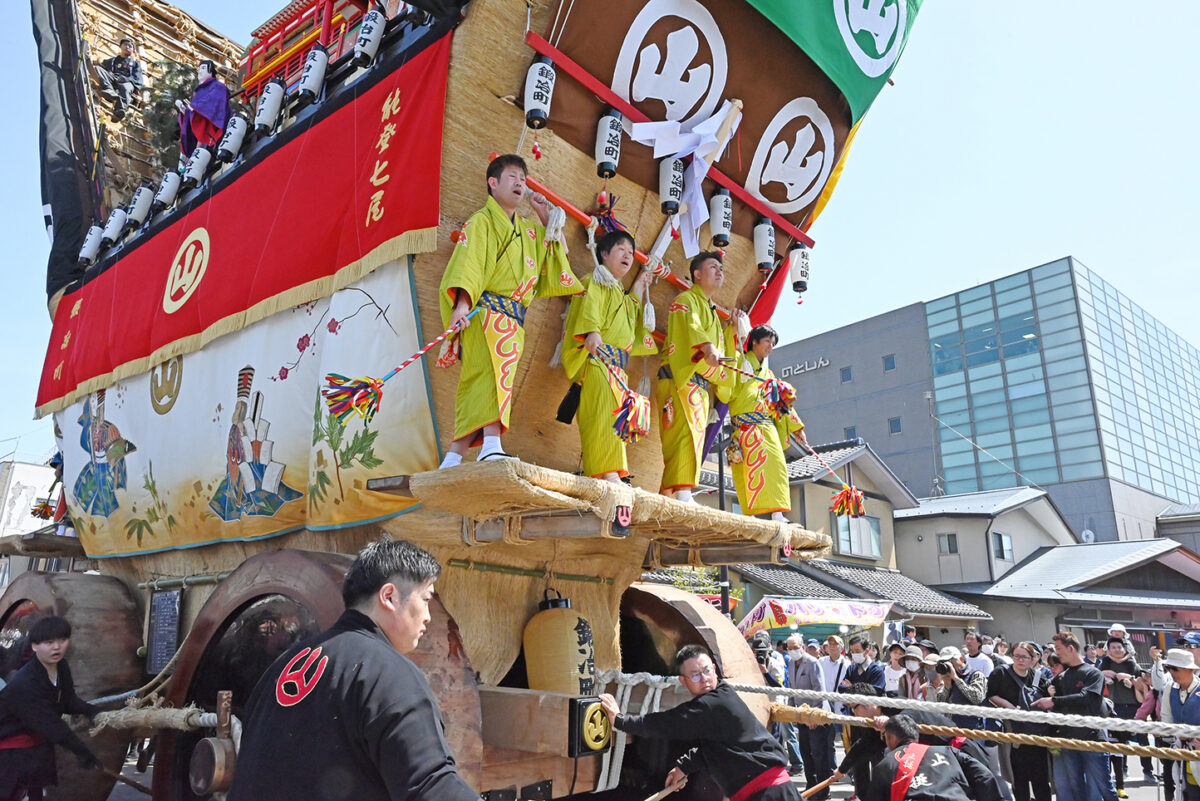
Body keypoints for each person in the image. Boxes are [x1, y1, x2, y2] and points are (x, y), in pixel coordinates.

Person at [227, 539, 479, 801]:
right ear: (389, 596)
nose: (427, 615)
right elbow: (430, 785)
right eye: (425, 598)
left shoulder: (279, 669)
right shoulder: (388, 674)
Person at [439, 154, 581, 467]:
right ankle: (491, 443)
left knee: (481, 382)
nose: (520, 183)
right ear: (493, 182)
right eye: (513, 177)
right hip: (485, 312)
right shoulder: (481, 222)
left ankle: (454, 455)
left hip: (513, 319)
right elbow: (469, 266)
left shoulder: (530, 231)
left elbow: (557, 258)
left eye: (523, 179)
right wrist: (461, 306)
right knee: (491, 378)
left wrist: (545, 216)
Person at [599, 644, 801, 800]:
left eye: (706, 671)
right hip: (760, 792)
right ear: (683, 681)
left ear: (714, 670)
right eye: (695, 675)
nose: (704, 678)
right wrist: (684, 767)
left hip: (770, 792)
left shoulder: (713, 703)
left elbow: (668, 723)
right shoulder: (717, 700)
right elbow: (715, 747)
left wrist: (621, 720)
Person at [559, 229, 655, 481]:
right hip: (597, 361)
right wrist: (592, 330)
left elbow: (630, 307)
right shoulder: (595, 280)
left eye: (631, 253)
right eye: (621, 250)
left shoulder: (620, 295)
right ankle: (607, 474)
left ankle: (611, 474)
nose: (628, 255)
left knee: (615, 421)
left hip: (616, 369)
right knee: (602, 418)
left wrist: (638, 284)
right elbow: (590, 305)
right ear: (604, 253)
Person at [657, 251, 741, 501]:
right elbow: (691, 327)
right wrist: (706, 346)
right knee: (683, 436)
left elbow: (721, 351)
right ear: (697, 273)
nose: (719, 272)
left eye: (721, 269)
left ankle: (670, 494)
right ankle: (682, 491)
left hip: (698, 384)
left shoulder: (712, 313)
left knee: (691, 436)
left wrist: (731, 333)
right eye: (713, 267)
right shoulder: (685, 300)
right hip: (679, 378)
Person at [0, 616, 101, 801]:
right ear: (34, 646)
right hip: (9, 752)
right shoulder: (25, 683)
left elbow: (68, 700)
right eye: (49, 642)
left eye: (62, 640)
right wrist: (81, 750)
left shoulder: (60, 666)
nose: (57, 647)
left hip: (37, 747)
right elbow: (50, 724)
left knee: (36, 794)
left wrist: (91, 711)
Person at [727, 324, 803, 521]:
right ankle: (749, 515)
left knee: (777, 468)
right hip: (745, 427)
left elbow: (782, 404)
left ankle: (777, 514)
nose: (771, 346)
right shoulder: (739, 361)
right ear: (754, 341)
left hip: (767, 428)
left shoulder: (769, 376)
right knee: (747, 472)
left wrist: (796, 428)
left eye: (773, 343)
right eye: (767, 341)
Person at [1031, 631, 1117, 801]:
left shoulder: (1092, 673)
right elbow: (1047, 697)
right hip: (1068, 741)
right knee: (1076, 787)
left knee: (1104, 787)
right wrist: (1050, 696)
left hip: (1092, 740)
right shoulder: (1060, 677)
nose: (1056, 653)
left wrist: (1054, 700)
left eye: (1058, 648)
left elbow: (1089, 699)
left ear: (1070, 648)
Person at [864, 715, 1004, 801]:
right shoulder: (948, 752)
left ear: (890, 738)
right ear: (915, 735)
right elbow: (984, 776)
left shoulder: (884, 765)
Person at [986, 641, 1051, 801]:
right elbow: (991, 695)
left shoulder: (1039, 677)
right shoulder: (1000, 673)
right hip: (1013, 733)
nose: (1020, 660)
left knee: (1041, 781)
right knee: (1019, 780)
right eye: (1016, 656)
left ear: (1033, 658)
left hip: (1037, 735)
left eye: (1024, 657)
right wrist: (1011, 709)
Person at [1099, 636, 1153, 793]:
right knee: (1118, 742)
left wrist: (1129, 677)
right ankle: (1122, 770)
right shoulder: (1104, 664)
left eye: (1119, 647)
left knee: (1143, 738)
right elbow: (1096, 683)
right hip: (1113, 707)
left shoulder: (1132, 664)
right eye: (1113, 647)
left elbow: (1142, 685)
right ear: (1108, 650)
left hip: (1134, 706)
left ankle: (1147, 771)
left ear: (1124, 649)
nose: (1117, 650)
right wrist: (1103, 673)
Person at [1158, 648, 1200, 801]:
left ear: (1189, 669)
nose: (1171, 672)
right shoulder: (1170, 688)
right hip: (1182, 750)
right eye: (1169, 668)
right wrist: (1163, 730)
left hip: (1198, 750)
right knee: (1186, 792)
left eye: (1175, 668)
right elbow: (1166, 717)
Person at [812, 635, 850, 800]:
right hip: (825, 708)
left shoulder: (847, 664)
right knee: (827, 743)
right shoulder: (821, 662)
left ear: (841, 647)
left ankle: (850, 769)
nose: (832, 647)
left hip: (842, 708)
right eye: (830, 645)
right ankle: (831, 769)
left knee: (847, 741)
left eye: (836, 645)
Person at [786, 634, 823, 788]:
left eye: (795, 648)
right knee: (805, 753)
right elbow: (791, 689)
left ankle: (821, 788)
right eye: (790, 648)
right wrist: (790, 710)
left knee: (818, 755)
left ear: (802, 647)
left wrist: (814, 716)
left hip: (814, 715)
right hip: (800, 715)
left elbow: (819, 690)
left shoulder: (812, 662)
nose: (793, 651)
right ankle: (811, 784)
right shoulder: (790, 663)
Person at [176, 60, 231, 155]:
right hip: (202, 123)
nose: (199, 71)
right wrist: (185, 111)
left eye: (203, 68)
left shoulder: (218, 86)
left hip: (214, 123)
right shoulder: (199, 92)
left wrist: (194, 108)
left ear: (210, 70)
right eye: (199, 69)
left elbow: (215, 103)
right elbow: (195, 111)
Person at [926, 646, 987, 728]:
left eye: (949, 662)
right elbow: (940, 703)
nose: (947, 665)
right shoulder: (947, 678)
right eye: (943, 662)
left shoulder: (976, 675)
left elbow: (977, 698)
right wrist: (947, 686)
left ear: (961, 659)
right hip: (952, 729)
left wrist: (956, 679)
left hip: (972, 730)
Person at [95, 37, 143, 122]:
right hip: (113, 79)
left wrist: (126, 79)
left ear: (133, 51)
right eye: (125, 45)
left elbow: (138, 79)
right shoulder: (113, 60)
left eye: (130, 46)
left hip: (127, 82)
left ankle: (120, 109)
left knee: (126, 87)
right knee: (98, 69)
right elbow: (101, 64)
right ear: (120, 46)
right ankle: (109, 90)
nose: (127, 47)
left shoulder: (135, 64)